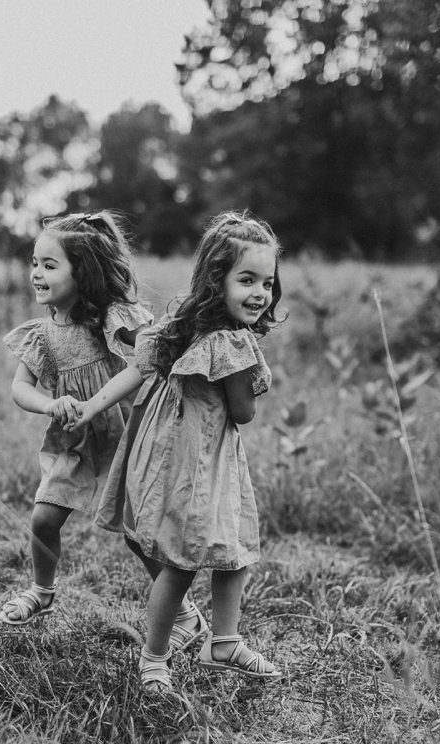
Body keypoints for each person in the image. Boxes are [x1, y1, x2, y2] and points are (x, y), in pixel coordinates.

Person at [67, 210, 285, 692]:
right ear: (216, 277)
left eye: (266, 283)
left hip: (165, 451)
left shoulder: (180, 319)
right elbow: (243, 413)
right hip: (195, 459)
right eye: (246, 279)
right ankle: (154, 658)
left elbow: (136, 369)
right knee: (185, 560)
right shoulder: (231, 343)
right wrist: (246, 377)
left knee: (233, 549)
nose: (259, 293)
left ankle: (223, 642)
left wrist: (89, 406)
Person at [0, 211, 154, 626]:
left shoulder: (112, 316)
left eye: (50, 265)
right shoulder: (42, 334)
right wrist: (49, 404)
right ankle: (42, 590)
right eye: (34, 263)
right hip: (74, 440)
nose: (36, 273)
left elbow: (148, 360)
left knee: (137, 535)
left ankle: (183, 613)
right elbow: (20, 387)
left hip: (125, 439)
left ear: (82, 272)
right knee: (44, 517)